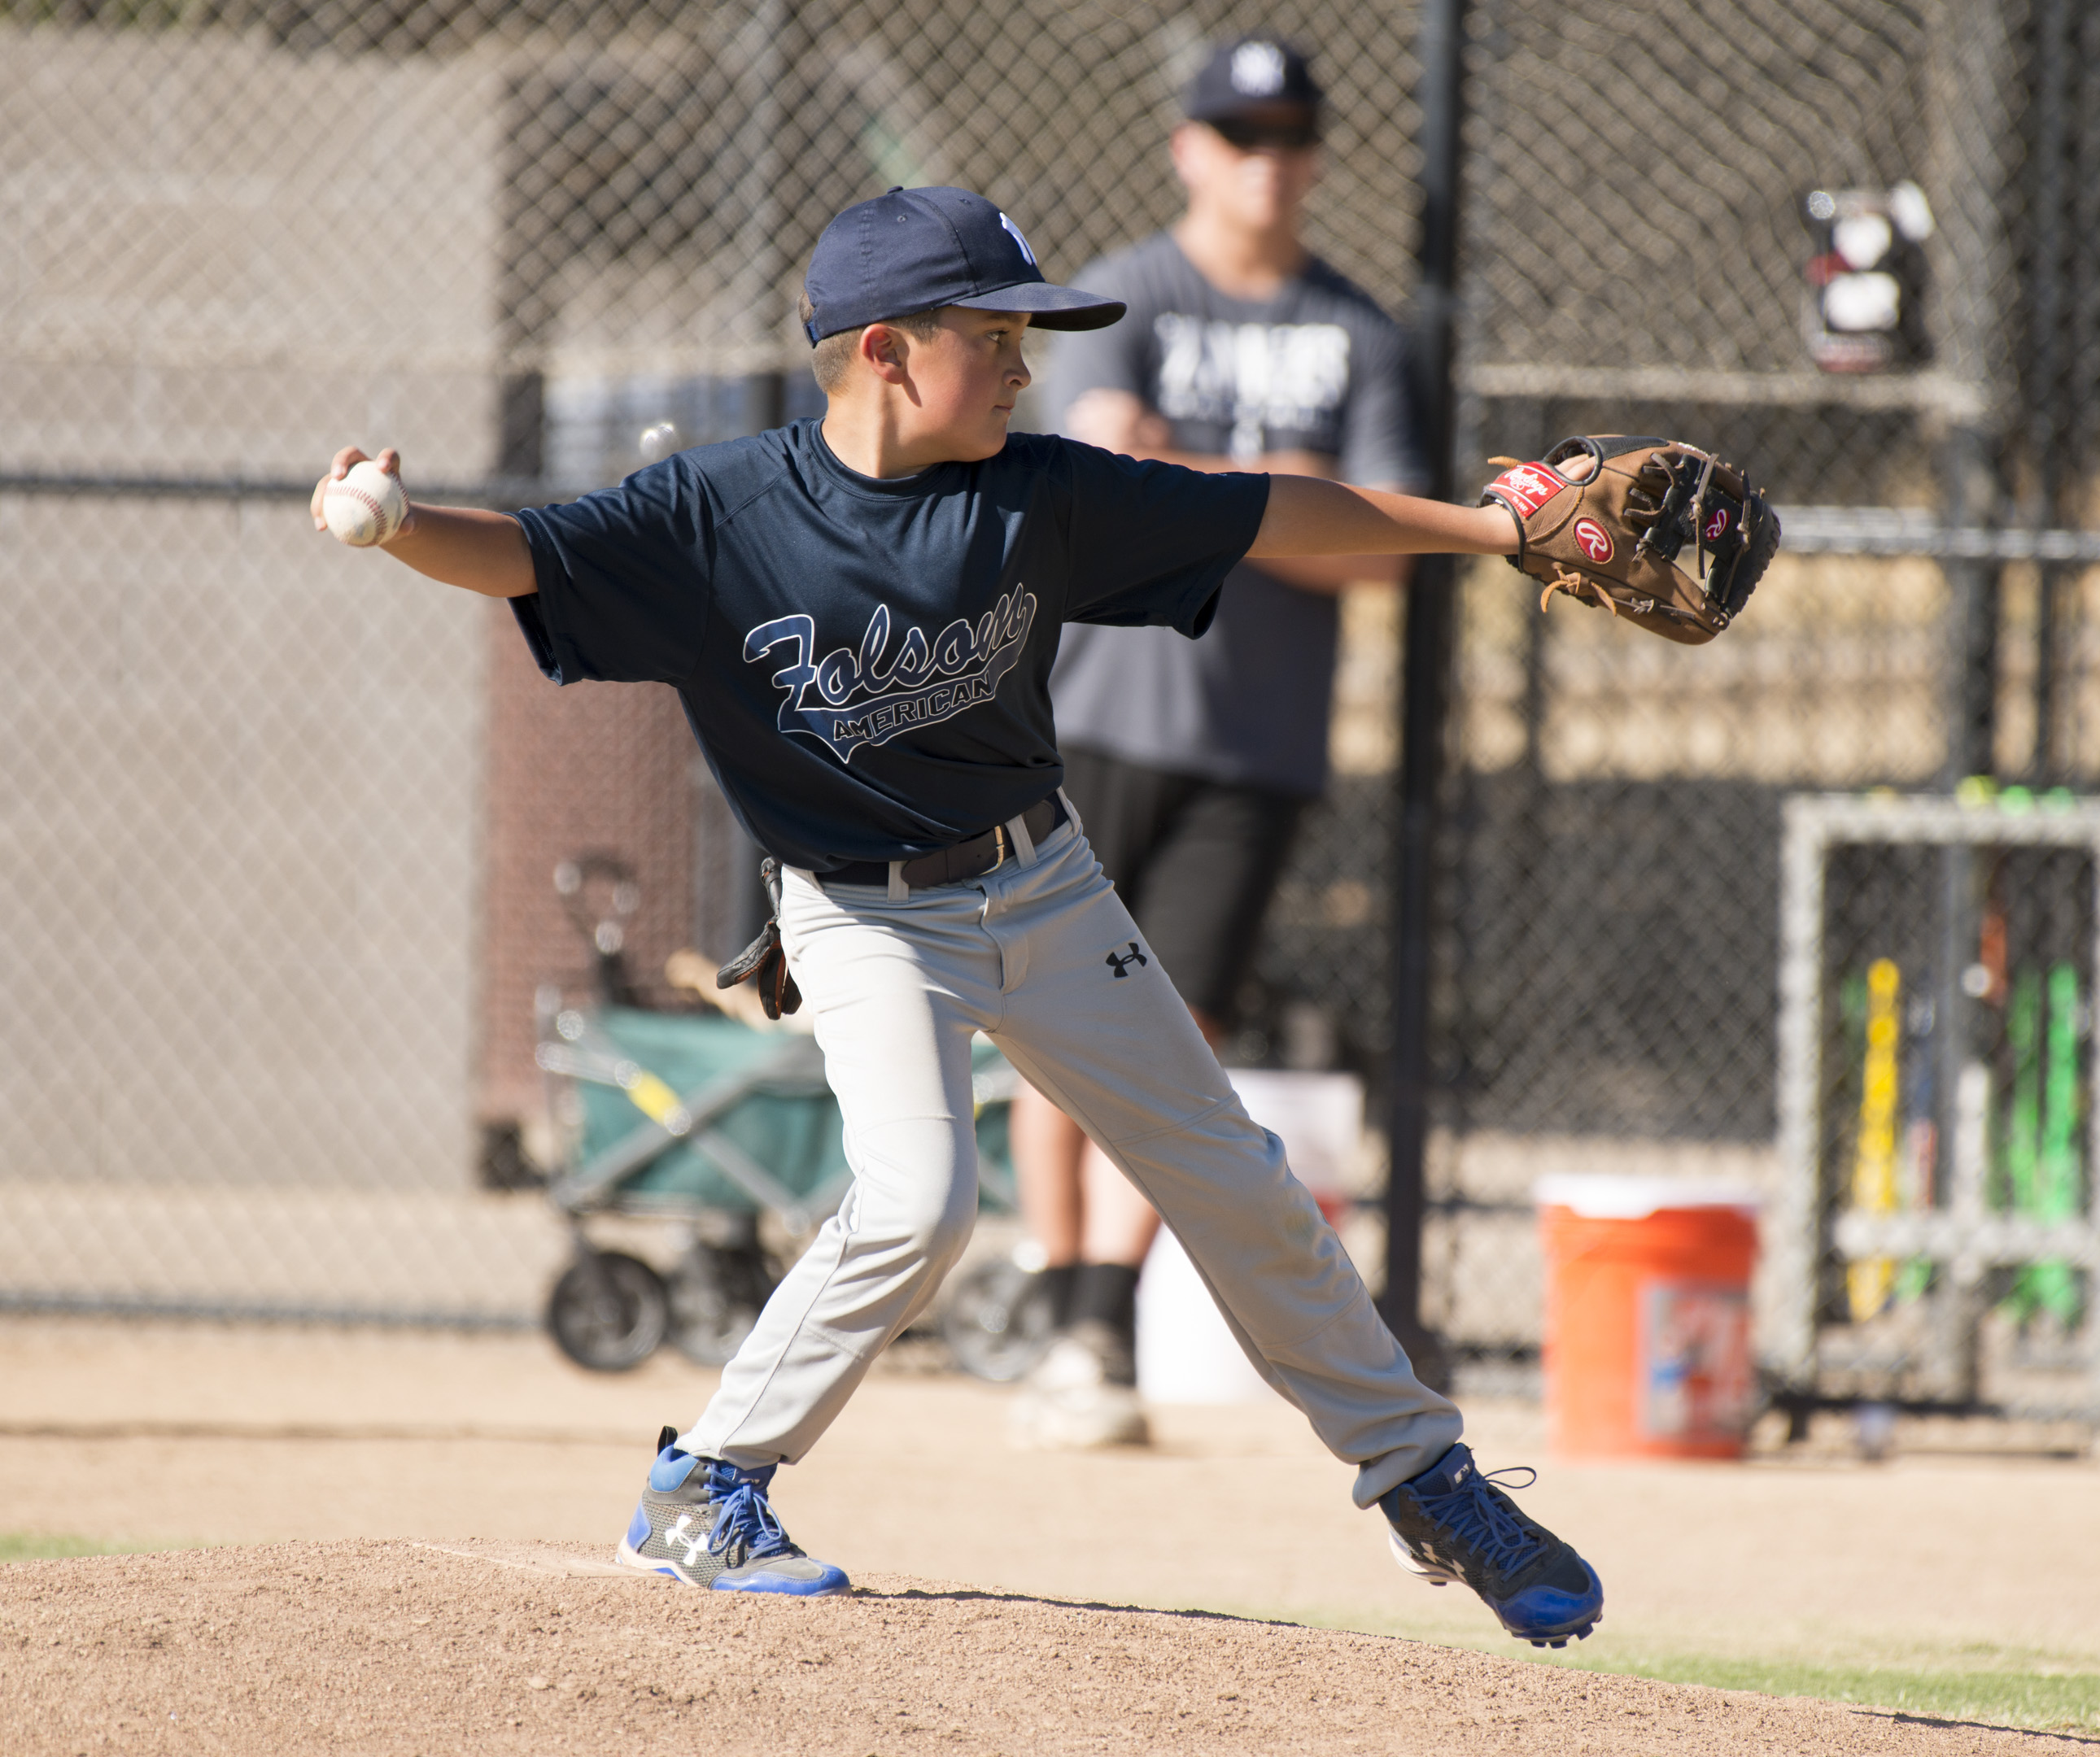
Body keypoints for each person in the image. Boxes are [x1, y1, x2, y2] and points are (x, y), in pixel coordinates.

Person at [308, 185, 1604, 1649]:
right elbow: (529, 554)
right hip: (861, 922)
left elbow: (1269, 512)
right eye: (991, 337)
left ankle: (1426, 1480)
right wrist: (399, 521)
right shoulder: (720, 515)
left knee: (1237, 1181)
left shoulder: (1038, 493)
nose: (1021, 366)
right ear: (883, 351)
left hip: (1047, 884)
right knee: (920, 1202)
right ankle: (704, 1487)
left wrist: (1497, 531)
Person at [1004, 35, 1421, 1451]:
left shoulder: (1360, 332)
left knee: (1175, 1039)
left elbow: (1380, 550)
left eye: (1291, 136)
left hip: (1255, 744)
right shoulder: (1123, 296)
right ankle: (1057, 1302)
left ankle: (1095, 1324)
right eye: (1241, 135)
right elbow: (1098, 485)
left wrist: (1191, 474)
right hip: (1095, 720)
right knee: (1053, 1022)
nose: (1268, 161)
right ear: (1188, 149)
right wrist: (1291, 494)